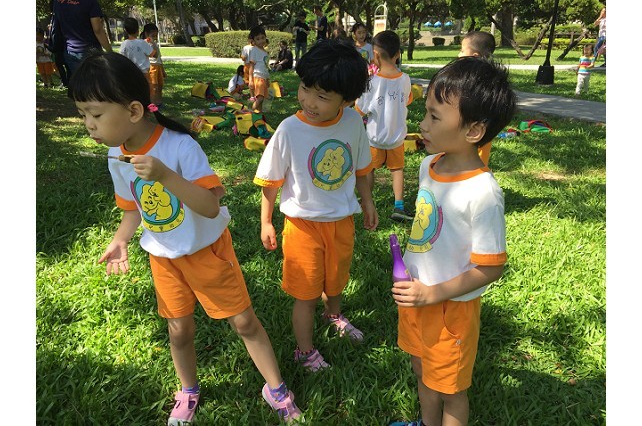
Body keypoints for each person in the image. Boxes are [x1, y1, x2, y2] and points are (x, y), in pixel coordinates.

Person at [67, 51, 303, 425]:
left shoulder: (179, 146)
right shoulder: (116, 154)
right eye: (83, 115)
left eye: (95, 114)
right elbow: (133, 208)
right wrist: (121, 239)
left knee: (244, 322)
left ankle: (275, 388)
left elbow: (210, 206)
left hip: (206, 250)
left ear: (133, 111)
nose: (88, 125)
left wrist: (164, 175)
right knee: (179, 330)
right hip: (163, 257)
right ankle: (188, 390)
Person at [388, 57, 516, 426]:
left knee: (451, 390)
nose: (422, 124)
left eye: (434, 117)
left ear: (474, 130)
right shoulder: (428, 166)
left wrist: (434, 293)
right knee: (421, 370)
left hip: (450, 310)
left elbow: (491, 267)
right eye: (425, 113)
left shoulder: (483, 193)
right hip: (415, 295)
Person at [253, 39, 378, 372]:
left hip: (341, 222)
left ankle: (333, 314)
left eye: (322, 96)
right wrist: (266, 222)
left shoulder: (353, 122)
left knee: (336, 280)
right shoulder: (289, 130)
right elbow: (270, 181)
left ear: (347, 100)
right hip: (302, 226)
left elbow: (362, 167)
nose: (309, 101)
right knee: (306, 294)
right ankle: (305, 351)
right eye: (306, 89)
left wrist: (367, 202)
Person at [355, 30, 413, 222]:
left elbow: (360, 109)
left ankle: (367, 202)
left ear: (375, 55)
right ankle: (399, 206)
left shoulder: (371, 83)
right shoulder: (405, 79)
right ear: (398, 54)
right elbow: (408, 99)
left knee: (369, 170)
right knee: (397, 170)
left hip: (375, 138)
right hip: (397, 138)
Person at [457, 30, 496, 166]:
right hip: (478, 124)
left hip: (476, 122)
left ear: (474, 56)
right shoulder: (491, 75)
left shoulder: (475, 76)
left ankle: (477, 172)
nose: (459, 54)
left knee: (477, 154)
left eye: (462, 50)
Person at [53, 0, 112, 76]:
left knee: (79, 82)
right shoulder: (90, 0)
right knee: (96, 81)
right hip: (90, 51)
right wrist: (109, 51)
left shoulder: (58, 0)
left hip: (69, 51)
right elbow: (98, 30)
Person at [119, 18, 153, 85]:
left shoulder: (124, 44)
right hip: (143, 73)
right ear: (138, 30)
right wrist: (153, 43)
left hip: (130, 73)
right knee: (145, 89)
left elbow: (121, 59)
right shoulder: (142, 43)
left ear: (125, 30)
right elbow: (153, 54)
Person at [141, 23, 166, 107]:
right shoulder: (145, 43)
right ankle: (152, 104)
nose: (154, 37)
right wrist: (151, 42)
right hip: (151, 66)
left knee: (160, 85)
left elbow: (159, 58)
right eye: (153, 35)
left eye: (156, 35)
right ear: (146, 34)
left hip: (158, 66)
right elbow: (152, 55)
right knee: (154, 86)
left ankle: (159, 102)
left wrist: (163, 70)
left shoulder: (154, 43)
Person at [247, 26, 270, 112]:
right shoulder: (254, 50)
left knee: (261, 99)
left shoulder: (265, 52)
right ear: (253, 40)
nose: (261, 41)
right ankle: (250, 113)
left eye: (262, 38)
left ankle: (259, 115)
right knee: (260, 98)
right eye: (258, 39)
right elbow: (251, 66)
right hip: (257, 77)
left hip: (263, 78)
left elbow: (265, 66)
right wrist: (250, 80)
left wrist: (267, 79)